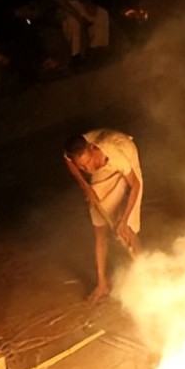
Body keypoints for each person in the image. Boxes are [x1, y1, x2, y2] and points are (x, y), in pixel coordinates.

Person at [63, 129, 141, 302]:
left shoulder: (117, 155)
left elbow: (134, 186)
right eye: (82, 166)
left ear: (93, 149)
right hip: (104, 169)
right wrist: (86, 187)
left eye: (87, 162)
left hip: (127, 156)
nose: (87, 168)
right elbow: (67, 159)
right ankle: (102, 285)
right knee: (99, 227)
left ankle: (144, 275)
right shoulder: (77, 154)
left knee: (127, 227)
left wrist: (124, 219)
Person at [39, 0, 108, 65]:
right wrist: (77, 15)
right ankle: (75, 56)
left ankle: (96, 49)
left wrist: (88, 4)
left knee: (101, 13)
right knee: (72, 21)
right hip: (59, 8)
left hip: (76, 4)